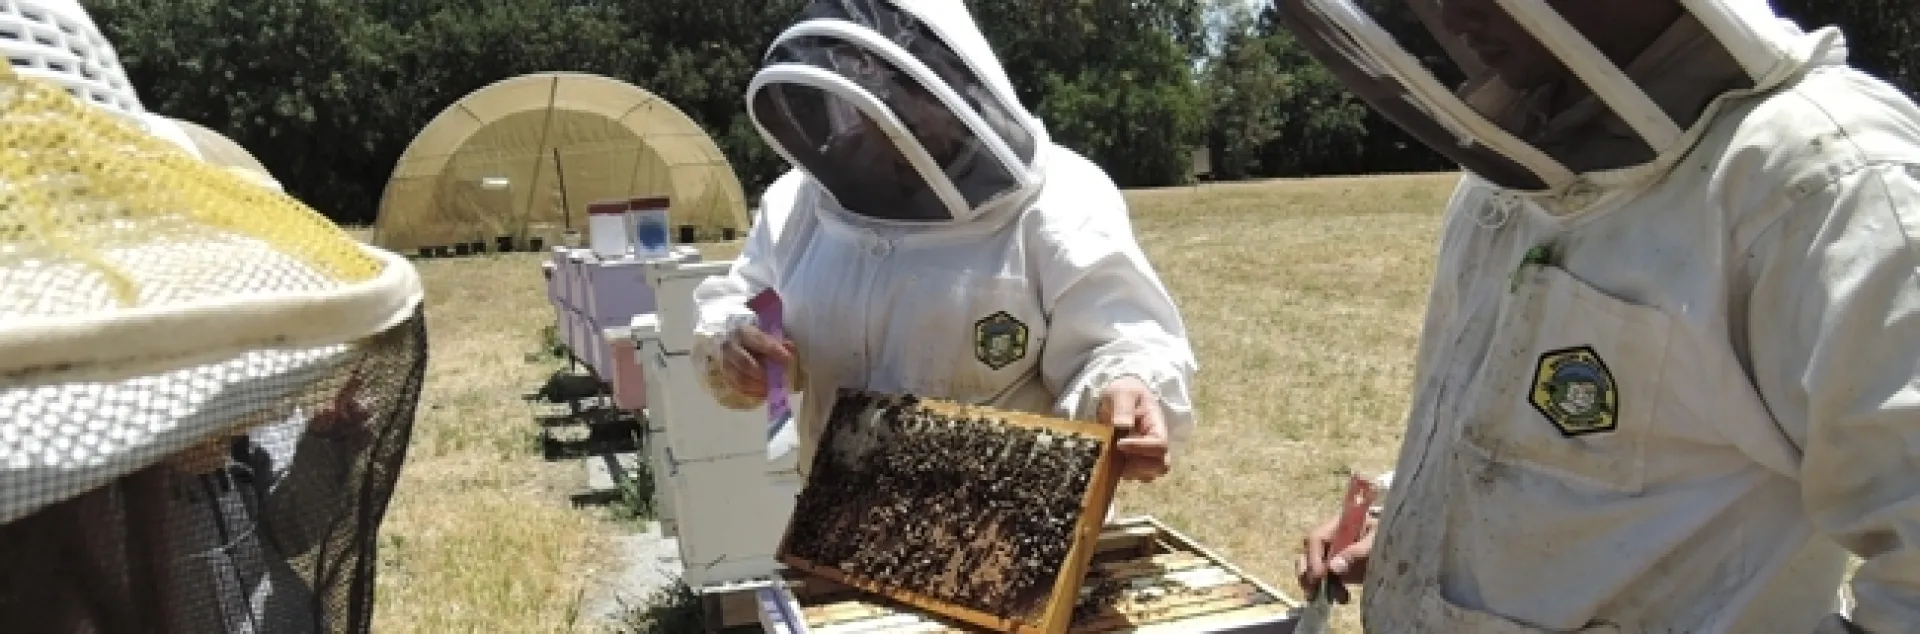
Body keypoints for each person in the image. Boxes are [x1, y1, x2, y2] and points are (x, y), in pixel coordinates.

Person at [1277, 0, 1920, 631]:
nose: (1451, 14)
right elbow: (1543, 424)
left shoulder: (1828, 174)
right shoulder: (1514, 160)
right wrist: (1410, 522)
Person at [692, 0, 1197, 486]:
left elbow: (1123, 339)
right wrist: (737, 347)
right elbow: (745, 303)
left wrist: (1126, 385)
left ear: (956, 81)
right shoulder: (799, 202)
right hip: (838, 525)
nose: (885, 126)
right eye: (866, 98)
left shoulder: (1062, 197)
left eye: (904, 100)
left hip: (1006, 532)